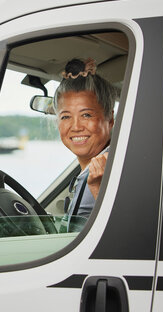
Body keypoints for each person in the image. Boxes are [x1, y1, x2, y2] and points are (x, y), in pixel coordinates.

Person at [53, 58, 118, 220]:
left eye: (86, 115)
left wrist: (99, 189)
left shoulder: (110, 171)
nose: (76, 127)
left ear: (109, 119)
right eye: (66, 116)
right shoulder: (90, 170)